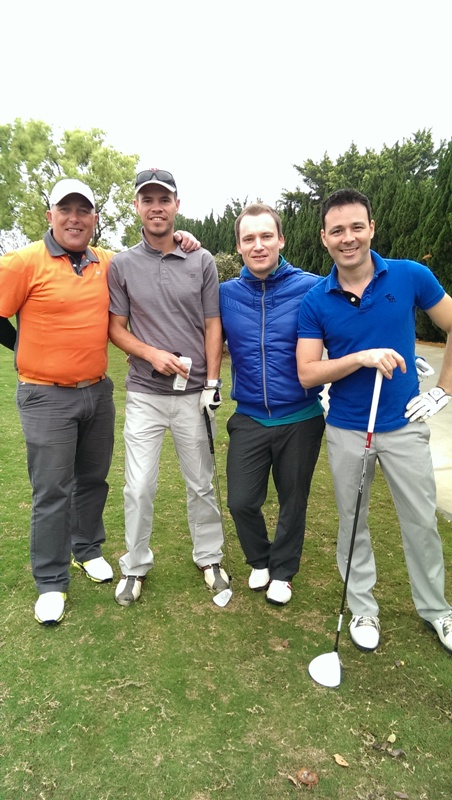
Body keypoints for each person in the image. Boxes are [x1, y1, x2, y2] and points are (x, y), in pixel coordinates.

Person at [0, 177, 198, 625]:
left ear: (94, 219)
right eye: (65, 210)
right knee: (52, 490)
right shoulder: (22, 262)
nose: (74, 219)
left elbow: (147, 257)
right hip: (45, 396)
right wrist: (22, 346)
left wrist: (182, 238)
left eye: (83, 211)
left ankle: (87, 550)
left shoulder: (106, 262)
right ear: (50, 215)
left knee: (92, 480)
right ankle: (51, 581)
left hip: (97, 391)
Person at [297, 188, 452, 653]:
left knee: (421, 520)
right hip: (348, 428)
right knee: (353, 521)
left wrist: (444, 389)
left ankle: (437, 610)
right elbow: (308, 372)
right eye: (337, 230)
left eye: (356, 227)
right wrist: (360, 358)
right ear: (324, 238)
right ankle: (362, 607)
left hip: (403, 425)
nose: (348, 238)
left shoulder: (410, 275)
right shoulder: (316, 300)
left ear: (371, 229)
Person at [107, 168, 229, 606]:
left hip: (192, 395)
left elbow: (213, 324)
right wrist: (150, 354)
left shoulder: (201, 259)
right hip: (145, 393)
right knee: (139, 486)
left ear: (177, 205)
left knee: (201, 482)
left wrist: (211, 382)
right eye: (148, 200)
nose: (156, 207)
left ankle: (210, 557)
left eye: (164, 199)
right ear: (137, 206)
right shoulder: (122, 264)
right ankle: (135, 564)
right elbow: (115, 328)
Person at [220, 204, 325, 606]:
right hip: (249, 416)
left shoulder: (312, 287)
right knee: (241, 501)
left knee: (292, 500)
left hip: (301, 415)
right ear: (239, 246)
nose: (258, 245)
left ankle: (283, 571)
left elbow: (346, 327)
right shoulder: (225, 294)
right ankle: (260, 559)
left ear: (281, 239)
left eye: (266, 236)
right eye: (249, 238)